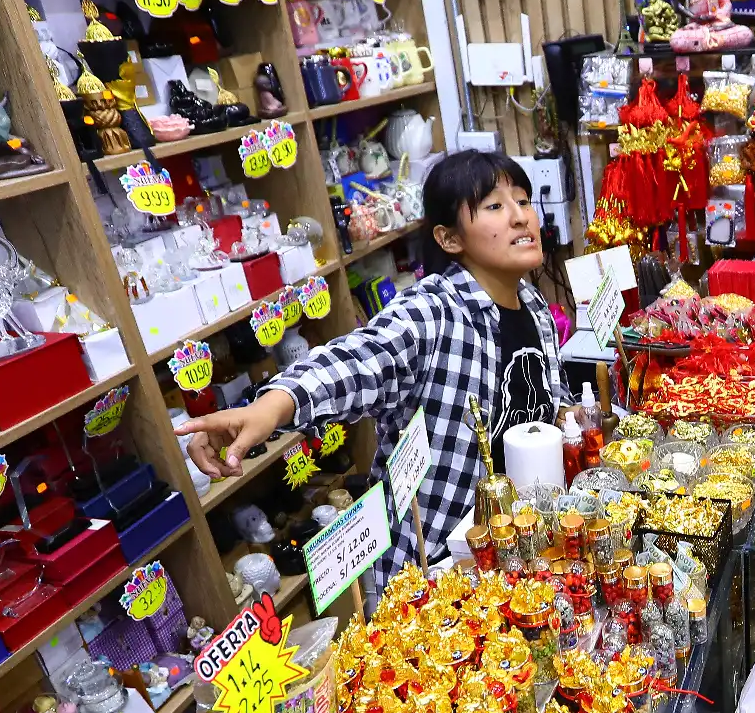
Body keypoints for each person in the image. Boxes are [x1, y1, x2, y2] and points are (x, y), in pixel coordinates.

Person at [177, 150, 569, 592]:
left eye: (523, 200)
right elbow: (359, 359)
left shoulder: (533, 306)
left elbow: (545, 400)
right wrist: (273, 405)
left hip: (525, 545)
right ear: (449, 238)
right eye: (496, 206)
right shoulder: (433, 311)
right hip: (440, 570)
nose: (521, 217)